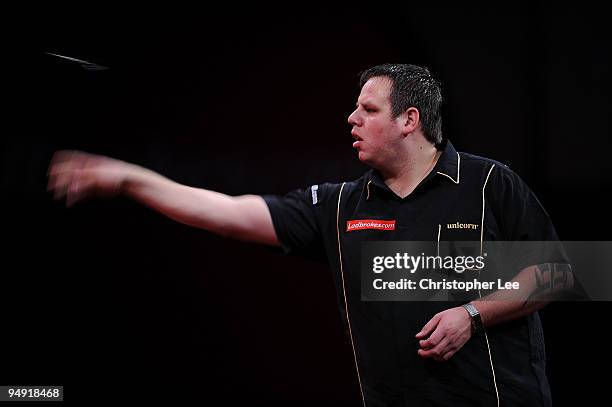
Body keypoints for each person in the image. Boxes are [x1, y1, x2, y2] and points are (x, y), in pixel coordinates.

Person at [47, 64, 570, 406]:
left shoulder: (488, 183)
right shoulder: (342, 204)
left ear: (410, 120)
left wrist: (472, 315)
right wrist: (129, 179)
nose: (351, 118)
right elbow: (228, 212)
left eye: (368, 109)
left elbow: (561, 272)